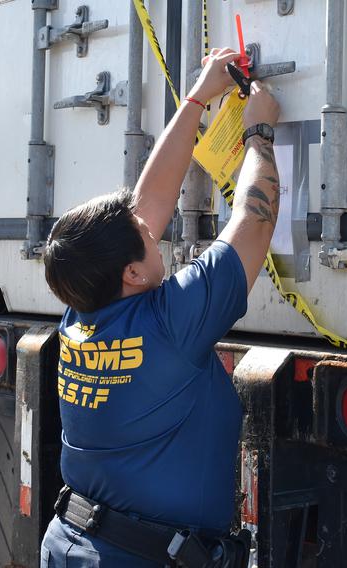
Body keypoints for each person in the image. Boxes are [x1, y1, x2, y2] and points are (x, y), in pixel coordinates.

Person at [41, 46, 281, 567]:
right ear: (130, 272)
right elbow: (254, 222)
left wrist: (197, 97)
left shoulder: (80, 315)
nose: (155, 232)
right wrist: (258, 135)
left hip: (74, 544)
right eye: (146, 238)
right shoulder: (169, 324)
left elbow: (148, 202)